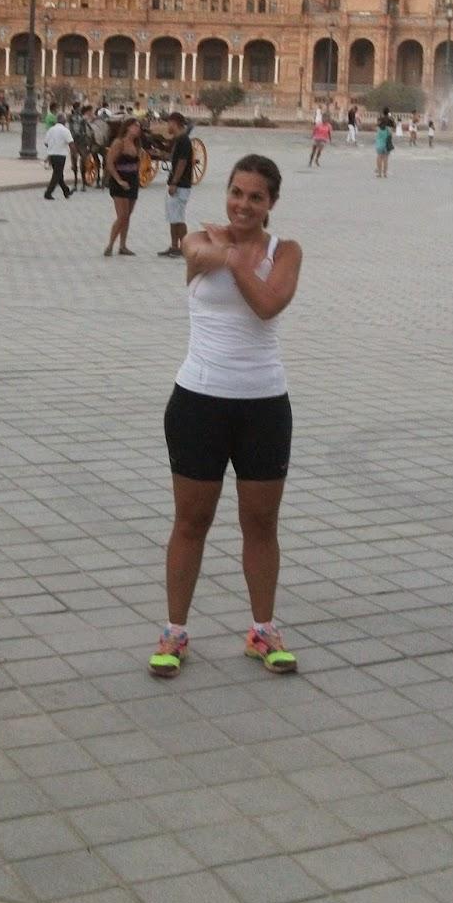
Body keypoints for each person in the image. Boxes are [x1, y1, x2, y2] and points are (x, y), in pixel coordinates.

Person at [151, 155, 302, 679]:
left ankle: (263, 629)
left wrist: (234, 258)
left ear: (271, 204)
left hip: (264, 404)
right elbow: (196, 253)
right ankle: (174, 631)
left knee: (260, 523)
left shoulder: (287, 251)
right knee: (192, 521)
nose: (242, 204)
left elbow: (268, 304)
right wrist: (224, 252)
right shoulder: (197, 240)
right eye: (236, 193)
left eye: (255, 197)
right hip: (199, 400)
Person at [103, 117, 142, 256]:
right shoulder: (119, 143)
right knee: (122, 215)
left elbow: (138, 162)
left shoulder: (137, 144)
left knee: (128, 215)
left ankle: (123, 245)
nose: (137, 129)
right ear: (127, 127)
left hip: (133, 181)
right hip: (120, 181)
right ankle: (110, 245)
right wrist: (119, 180)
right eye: (135, 126)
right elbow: (109, 162)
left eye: (138, 126)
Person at [159, 111, 195, 257]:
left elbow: (182, 162)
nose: (168, 126)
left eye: (169, 123)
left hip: (181, 185)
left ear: (174, 123)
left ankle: (184, 247)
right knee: (173, 218)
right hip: (176, 184)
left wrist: (174, 182)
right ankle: (174, 246)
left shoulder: (184, 141)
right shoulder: (178, 139)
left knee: (178, 218)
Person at [41, 112, 74, 199]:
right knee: (57, 175)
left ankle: (66, 191)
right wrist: (74, 153)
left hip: (52, 155)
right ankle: (48, 193)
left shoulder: (51, 129)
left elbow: (46, 143)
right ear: (64, 121)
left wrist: (52, 147)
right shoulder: (65, 131)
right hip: (61, 155)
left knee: (59, 175)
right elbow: (71, 143)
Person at [374, 110, 395, 177]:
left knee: (379, 158)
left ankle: (379, 173)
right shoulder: (387, 129)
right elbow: (391, 135)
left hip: (379, 145)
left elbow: (376, 133)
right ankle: (385, 173)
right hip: (386, 145)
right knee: (385, 160)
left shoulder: (378, 128)